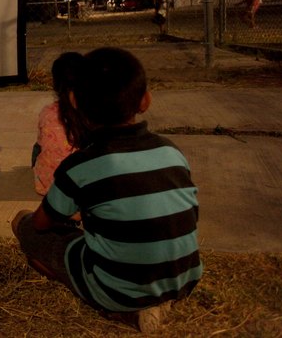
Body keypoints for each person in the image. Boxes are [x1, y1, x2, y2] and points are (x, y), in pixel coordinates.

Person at [11, 47, 202, 333]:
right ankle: (157, 300)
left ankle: (125, 312)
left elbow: (41, 222)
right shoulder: (171, 152)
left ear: (73, 101)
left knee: (24, 225)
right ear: (145, 100)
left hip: (117, 290)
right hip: (184, 280)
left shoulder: (80, 166)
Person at [32, 51, 87, 196]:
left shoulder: (47, 112)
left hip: (49, 186)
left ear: (55, 84)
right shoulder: (96, 110)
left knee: (37, 147)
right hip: (87, 186)